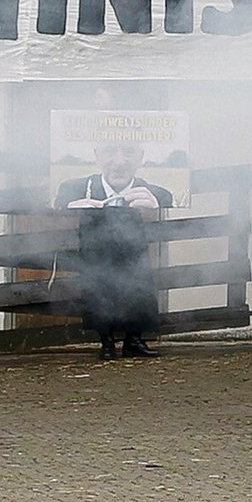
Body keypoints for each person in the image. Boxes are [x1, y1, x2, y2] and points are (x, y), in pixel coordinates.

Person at [55, 140, 174, 360]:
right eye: (110, 152)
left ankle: (134, 341)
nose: (119, 161)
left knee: (138, 290)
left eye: (128, 152)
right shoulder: (75, 188)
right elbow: (58, 204)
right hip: (96, 252)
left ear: (140, 158)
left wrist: (154, 203)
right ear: (97, 155)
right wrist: (72, 207)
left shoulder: (152, 191)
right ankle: (106, 343)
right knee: (99, 290)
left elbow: (171, 199)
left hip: (134, 252)